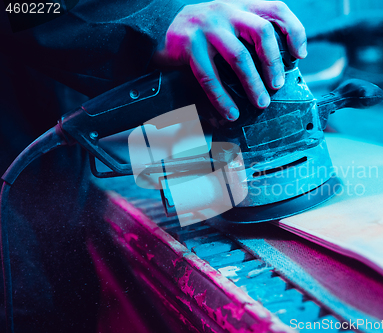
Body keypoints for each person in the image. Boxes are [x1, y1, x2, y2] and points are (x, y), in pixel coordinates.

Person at [0, 0, 306, 331]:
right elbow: (19, 10)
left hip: (98, 116)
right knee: (36, 303)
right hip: (19, 152)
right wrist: (159, 21)